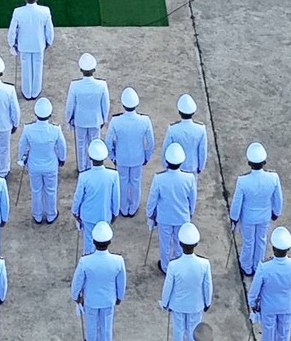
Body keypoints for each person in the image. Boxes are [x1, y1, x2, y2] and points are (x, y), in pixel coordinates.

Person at [71, 220, 127, 341]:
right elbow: (121, 282)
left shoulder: (85, 261)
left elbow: (77, 281)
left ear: (94, 242)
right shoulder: (118, 260)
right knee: (106, 323)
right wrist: (119, 297)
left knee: (91, 324)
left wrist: (75, 296)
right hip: (108, 299)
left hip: (91, 300)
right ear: (110, 242)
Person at [162, 222, 213, 341]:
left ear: (180, 243)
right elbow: (207, 285)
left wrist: (165, 302)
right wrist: (207, 301)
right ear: (196, 244)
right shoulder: (204, 264)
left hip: (178, 304)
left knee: (178, 331)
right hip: (196, 304)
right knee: (193, 331)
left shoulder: (173, 265)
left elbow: (168, 286)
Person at [233, 143, 286, 277]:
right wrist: (277, 212)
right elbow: (278, 198)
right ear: (264, 162)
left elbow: (237, 201)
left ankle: (246, 266)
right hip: (264, 215)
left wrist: (234, 217)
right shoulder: (273, 177)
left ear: (249, 163)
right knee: (261, 240)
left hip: (248, 217)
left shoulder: (243, 180)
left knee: (248, 242)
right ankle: (258, 265)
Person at [146, 143, 199, 272]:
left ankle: (165, 267)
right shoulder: (189, 178)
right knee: (180, 242)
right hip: (182, 216)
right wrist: (191, 212)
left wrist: (150, 213)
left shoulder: (159, 178)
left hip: (164, 217)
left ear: (167, 161)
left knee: (165, 244)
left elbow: (153, 198)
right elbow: (192, 199)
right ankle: (178, 266)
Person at [107, 87, 156, 217]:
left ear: (123, 104)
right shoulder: (144, 120)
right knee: (135, 182)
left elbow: (108, 141)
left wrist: (112, 156)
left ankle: (123, 208)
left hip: (121, 158)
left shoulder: (116, 121)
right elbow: (150, 143)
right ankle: (133, 207)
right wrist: (146, 156)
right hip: (138, 157)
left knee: (122, 183)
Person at [18, 97, 67, 223]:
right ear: (50, 114)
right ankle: (51, 214)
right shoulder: (55, 129)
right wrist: (62, 158)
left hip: (34, 165)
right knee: (51, 190)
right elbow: (62, 145)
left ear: (36, 114)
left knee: (36, 190)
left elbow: (22, 145)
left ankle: (37, 215)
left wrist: (21, 159)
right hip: (50, 165)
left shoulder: (28, 129)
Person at [6, 0, 54, 100]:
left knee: (25, 68)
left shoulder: (18, 12)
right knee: (38, 68)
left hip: (24, 46)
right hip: (39, 45)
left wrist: (12, 44)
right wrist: (49, 41)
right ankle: (35, 92)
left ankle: (27, 93)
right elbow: (49, 30)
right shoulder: (45, 11)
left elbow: (12, 30)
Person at [72, 139, 121, 255]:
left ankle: (88, 261)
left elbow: (78, 197)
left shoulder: (84, 176)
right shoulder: (113, 175)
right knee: (103, 241)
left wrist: (75, 211)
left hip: (88, 215)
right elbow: (116, 197)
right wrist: (115, 213)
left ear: (90, 157)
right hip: (105, 214)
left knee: (88, 242)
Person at [65, 53, 111, 166]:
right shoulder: (101, 85)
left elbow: (70, 105)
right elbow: (105, 104)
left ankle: (82, 168)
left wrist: (68, 119)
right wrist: (104, 119)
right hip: (95, 119)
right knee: (94, 143)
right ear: (94, 69)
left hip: (80, 120)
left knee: (80, 145)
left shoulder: (75, 85)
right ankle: (92, 167)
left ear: (81, 70)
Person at [165, 94, 210, 177]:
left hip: (176, 166)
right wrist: (201, 167)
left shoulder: (172, 129)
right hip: (192, 166)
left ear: (179, 112)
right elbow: (202, 151)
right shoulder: (200, 129)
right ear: (193, 112)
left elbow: (166, 148)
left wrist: (166, 165)